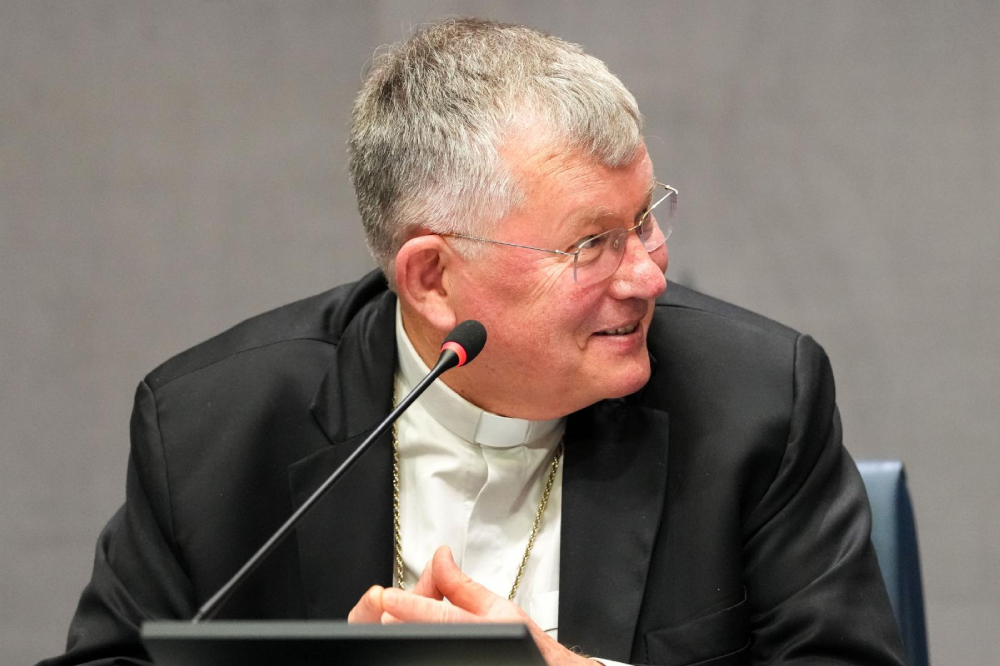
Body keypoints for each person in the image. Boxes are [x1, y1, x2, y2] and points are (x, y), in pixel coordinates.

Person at [41, 18, 906, 666]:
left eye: (645, 220)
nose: (647, 276)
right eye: (592, 243)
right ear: (429, 278)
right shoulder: (209, 429)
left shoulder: (757, 400)